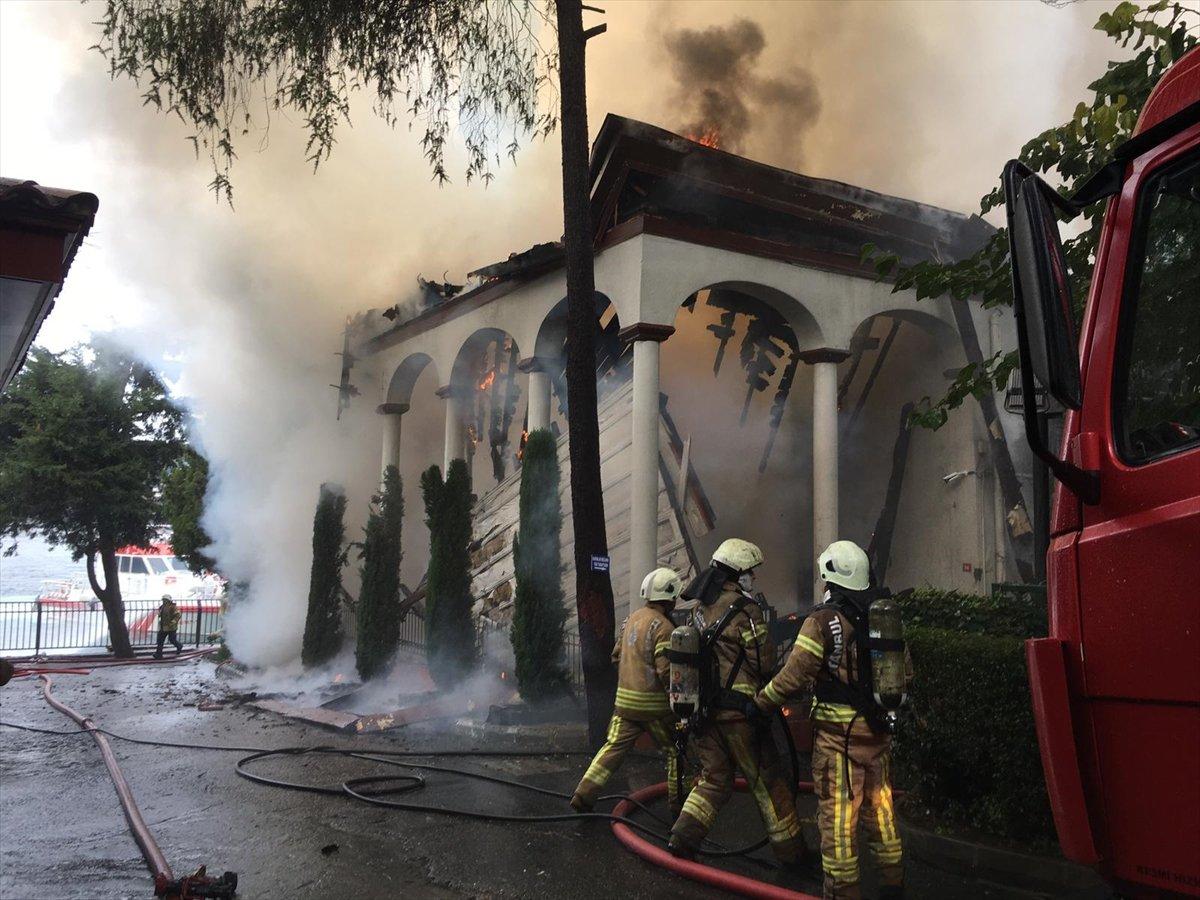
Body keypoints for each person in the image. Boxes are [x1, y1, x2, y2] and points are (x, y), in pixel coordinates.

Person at [755, 540, 910, 900]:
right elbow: (906, 674)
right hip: (877, 733)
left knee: (838, 820)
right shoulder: (883, 618)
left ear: (830, 578)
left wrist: (761, 704)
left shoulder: (823, 621)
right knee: (881, 812)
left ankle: (842, 892)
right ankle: (893, 882)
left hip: (838, 738)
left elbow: (793, 675)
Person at [668, 539, 805, 864]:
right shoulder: (746, 609)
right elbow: (764, 661)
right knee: (768, 781)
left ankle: (681, 838)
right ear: (737, 573)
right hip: (740, 715)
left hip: (705, 713)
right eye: (750, 572)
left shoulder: (699, 610)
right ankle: (793, 854)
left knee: (714, 779)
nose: (753, 578)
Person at [571, 567, 685, 817]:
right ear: (669, 597)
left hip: (624, 704)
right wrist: (680, 702)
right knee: (675, 751)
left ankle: (583, 794)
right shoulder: (664, 628)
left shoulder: (631, 619)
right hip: (654, 708)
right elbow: (666, 671)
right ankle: (679, 806)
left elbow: (615, 656)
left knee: (611, 749)